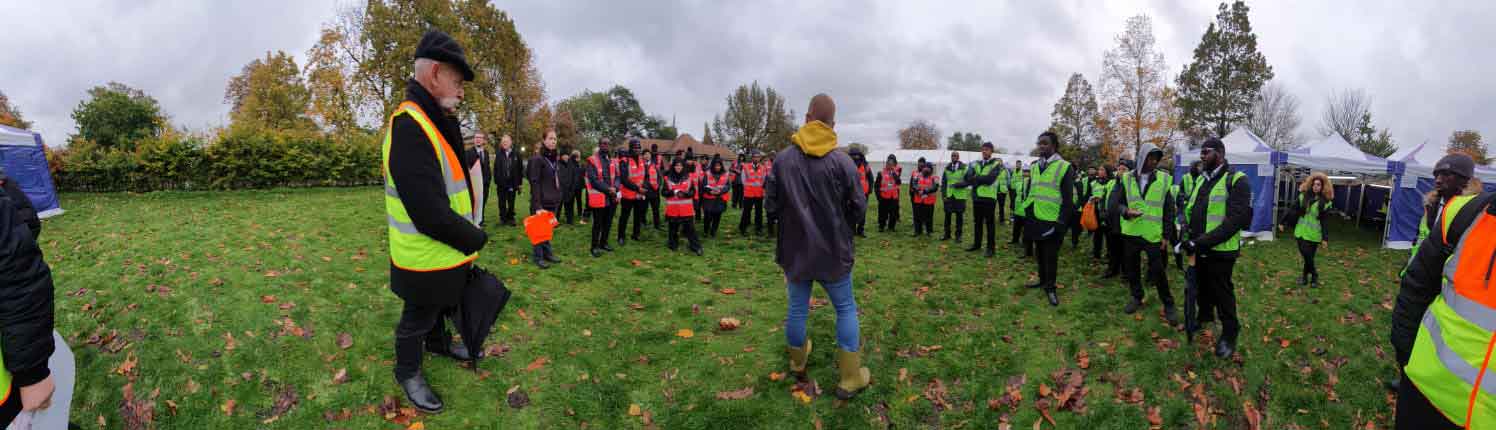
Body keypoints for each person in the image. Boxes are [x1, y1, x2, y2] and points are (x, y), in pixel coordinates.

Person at [382, 30, 486, 413]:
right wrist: (474, 237)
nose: (461, 92)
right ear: (436, 73)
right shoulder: (410, 125)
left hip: (443, 247)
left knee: (442, 303)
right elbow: (427, 212)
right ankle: (407, 371)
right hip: (422, 251)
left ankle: (439, 344)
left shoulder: (435, 118)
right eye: (458, 82)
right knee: (418, 315)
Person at [764, 93, 870, 400]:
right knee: (846, 308)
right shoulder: (843, 162)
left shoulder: (782, 160)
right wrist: (843, 229)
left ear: (808, 118)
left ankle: (797, 360)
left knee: (797, 308)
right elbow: (858, 207)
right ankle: (850, 377)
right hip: (834, 252)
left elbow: (770, 205)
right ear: (833, 124)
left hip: (795, 251)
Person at [1389, 154, 1495, 428]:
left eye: (1446, 174)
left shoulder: (1469, 211)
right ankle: (1405, 374)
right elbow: (1423, 243)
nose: (1438, 179)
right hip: (1427, 285)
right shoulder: (1437, 207)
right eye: (1437, 173)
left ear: (1464, 179)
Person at [1179, 137, 1252, 359]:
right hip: (1198, 248)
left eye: (1206, 152)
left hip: (1221, 251)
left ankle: (1230, 332)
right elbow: (1190, 209)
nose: (1201, 156)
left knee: (1222, 293)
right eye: (1201, 152)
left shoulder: (1237, 180)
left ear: (1220, 153)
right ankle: (1205, 317)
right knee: (1200, 286)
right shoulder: (1202, 180)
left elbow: (1233, 222)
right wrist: (1183, 228)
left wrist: (1200, 242)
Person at [1113, 147, 1176, 321]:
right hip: (1131, 232)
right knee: (1132, 268)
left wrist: (1166, 235)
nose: (1154, 162)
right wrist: (1126, 211)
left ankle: (1168, 303)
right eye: (1150, 158)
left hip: (1153, 234)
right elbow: (1117, 203)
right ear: (1141, 158)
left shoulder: (1163, 179)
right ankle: (1136, 296)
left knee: (1158, 271)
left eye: (1156, 159)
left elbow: (1169, 210)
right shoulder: (1126, 178)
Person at [1023, 132, 1075, 307]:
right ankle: (1042, 280)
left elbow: (1068, 200)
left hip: (1053, 221)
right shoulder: (1035, 166)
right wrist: (1027, 211)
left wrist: (1061, 224)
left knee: (1050, 256)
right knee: (1039, 253)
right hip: (1036, 217)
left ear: (1054, 146)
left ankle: (1051, 288)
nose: (1041, 146)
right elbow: (1032, 190)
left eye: (1045, 143)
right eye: (1039, 143)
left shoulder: (1065, 167)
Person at [1279, 172, 1333, 288]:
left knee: (1309, 257)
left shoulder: (1326, 203)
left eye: (1318, 185)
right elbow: (1292, 208)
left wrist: (1325, 238)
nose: (1316, 187)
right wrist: (1282, 221)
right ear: (1310, 185)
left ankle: (1306, 278)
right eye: (1314, 184)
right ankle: (1314, 276)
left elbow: (1325, 222)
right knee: (1307, 256)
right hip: (1301, 232)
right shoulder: (1303, 196)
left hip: (1314, 235)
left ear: (1323, 186)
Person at [585, 138, 621, 257]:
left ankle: (603, 243)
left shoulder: (612, 160)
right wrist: (608, 189)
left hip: (612, 196)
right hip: (600, 196)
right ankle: (594, 246)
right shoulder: (592, 160)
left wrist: (615, 187)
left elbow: (617, 176)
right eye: (604, 143)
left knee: (608, 222)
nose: (606, 145)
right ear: (599, 145)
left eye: (608, 143)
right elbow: (593, 180)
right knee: (598, 224)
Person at [964, 143, 1001, 257]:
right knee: (977, 222)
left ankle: (991, 248)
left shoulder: (996, 164)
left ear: (991, 151)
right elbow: (967, 178)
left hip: (989, 198)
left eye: (987, 150)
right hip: (977, 197)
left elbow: (990, 179)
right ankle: (977, 244)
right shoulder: (977, 164)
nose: (984, 151)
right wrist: (976, 178)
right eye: (983, 150)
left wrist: (976, 178)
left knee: (990, 224)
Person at [662, 158, 705, 255]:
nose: (678, 167)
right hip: (673, 209)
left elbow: (693, 192)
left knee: (690, 229)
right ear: (673, 167)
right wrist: (672, 192)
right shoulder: (667, 178)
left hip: (686, 209)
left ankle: (696, 247)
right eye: (677, 165)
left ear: (683, 167)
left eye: (680, 165)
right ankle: (672, 244)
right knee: (673, 228)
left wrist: (685, 194)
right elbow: (663, 192)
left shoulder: (689, 177)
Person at [615, 138, 649, 246]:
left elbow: (647, 176)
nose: (637, 150)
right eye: (635, 148)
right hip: (628, 194)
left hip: (639, 194)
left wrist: (644, 186)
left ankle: (636, 234)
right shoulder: (624, 161)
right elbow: (624, 180)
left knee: (638, 216)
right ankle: (621, 236)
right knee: (624, 216)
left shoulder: (642, 160)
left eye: (639, 148)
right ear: (630, 148)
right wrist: (638, 188)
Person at [1104, 161, 1131, 278]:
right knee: (1112, 248)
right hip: (1111, 221)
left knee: (1125, 250)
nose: (1120, 172)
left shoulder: (1132, 186)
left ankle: (1126, 273)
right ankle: (1112, 270)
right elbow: (1107, 199)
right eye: (1119, 169)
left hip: (1125, 223)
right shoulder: (1114, 183)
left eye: (1124, 169)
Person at [527, 129, 563, 215]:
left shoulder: (555, 159)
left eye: (555, 139)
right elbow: (535, 183)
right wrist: (538, 206)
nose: (553, 141)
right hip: (541, 205)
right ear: (544, 140)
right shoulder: (538, 159)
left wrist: (558, 196)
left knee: (550, 229)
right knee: (540, 229)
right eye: (550, 138)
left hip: (553, 203)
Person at [493, 133, 524, 226]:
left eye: (506, 141)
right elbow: (495, 169)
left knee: (511, 202)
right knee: (501, 202)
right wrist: (497, 180)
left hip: (512, 183)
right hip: (501, 183)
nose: (504, 143)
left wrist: (519, 183)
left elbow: (520, 169)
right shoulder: (498, 154)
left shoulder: (516, 154)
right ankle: (503, 218)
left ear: (511, 142)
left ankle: (511, 218)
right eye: (503, 142)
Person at [464, 133, 493, 226]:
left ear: (484, 140)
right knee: (474, 202)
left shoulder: (486, 153)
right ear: (474, 140)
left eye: (480, 138)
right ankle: (473, 221)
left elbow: (487, 168)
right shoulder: (468, 152)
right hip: (474, 184)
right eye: (476, 138)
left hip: (485, 184)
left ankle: (480, 220)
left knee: (483, 202)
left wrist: (488, 180)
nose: (478, 140)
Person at [940, 151, 969, 241]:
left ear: (958, 157)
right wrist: (943, 195)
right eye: (952, 156)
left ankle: (958, 236)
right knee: (947, 216)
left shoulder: (964, 168)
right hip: (949, 195)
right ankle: (947, 234)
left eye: (955, 156)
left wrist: (958, 185)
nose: (954, 157)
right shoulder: (947, 168)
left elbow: (968, 181)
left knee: (959, 217)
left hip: (960, 196)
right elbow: (944, 182)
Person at [701, 158, 733, 238]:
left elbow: (728, 186)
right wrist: (709, 191)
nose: (717, 167)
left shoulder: (725, 174)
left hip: (720, 198)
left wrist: (721, 191)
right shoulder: (707, 173)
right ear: (713, 166)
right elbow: (703, 185)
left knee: (717, 216)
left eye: (719, 166)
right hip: (708, 198)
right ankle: (706, 230)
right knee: (707, 216)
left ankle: (713, 231)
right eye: (716, 166)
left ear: (721, 166)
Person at [739, 153, 768, 236]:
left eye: (758, 157)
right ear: (752, 158)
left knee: (759, 212)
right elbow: (743, 180)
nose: (756, 158)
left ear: (760, 158)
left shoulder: (763, 168)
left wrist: (759, 188)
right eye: (755, 157)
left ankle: (758, 229)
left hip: (759, 193)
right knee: (746, 212)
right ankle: (743, 228)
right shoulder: (746, 166)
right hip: (749, 193)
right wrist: (749, 187)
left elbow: (763, 179)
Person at [874, 154, 902, 232]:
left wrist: (894, 175)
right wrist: (878, 196)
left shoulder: (895, 172)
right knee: (883, 213)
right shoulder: (881, 173)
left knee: (893, 213)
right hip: (884, 197)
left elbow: (899, 183)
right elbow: (876, 185)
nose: (890, 165)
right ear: (886, 164)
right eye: (889, 164)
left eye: (892, 164)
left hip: (894, 197)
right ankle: (881, 226)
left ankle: (891, 227)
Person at [849, 148, 874, 237]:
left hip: (864, 193)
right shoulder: (848, 165)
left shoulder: (865, 166)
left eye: (857, 155)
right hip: (851, 193)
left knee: (862, 212)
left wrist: (870, 189)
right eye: (853, 155)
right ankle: (852, 230)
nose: (856, 157)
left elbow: (871, 178)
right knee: (851, 212)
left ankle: (860, 230)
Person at [910, 160, 939, 236]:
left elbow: (935, 187)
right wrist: (918, 190)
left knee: (928, 217)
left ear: (931, 169)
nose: (926, 169)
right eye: (925, 167)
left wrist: (925, 191)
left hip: (929, 201)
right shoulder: (917, 176)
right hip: (918, 200)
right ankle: (917, 231)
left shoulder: (934, 177)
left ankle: (929, 231)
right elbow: (914, 184)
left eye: (928, 168)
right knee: (917, 217)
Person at [1070, 165, 1092, 249]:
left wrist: (1076, 206)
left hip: (1076, 208)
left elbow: (1081, 197)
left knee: (1075, 228)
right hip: (1067, 208)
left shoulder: (1079, 182)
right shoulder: (1065, 180)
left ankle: (1074, 243)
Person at [646, 146, 665, 231]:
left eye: (648, 154)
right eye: (645, 154)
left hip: (654, 191)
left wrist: (658, 185)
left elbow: (660, 177)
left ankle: (657, 225)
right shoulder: (641, 165)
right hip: (645, 191)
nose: (647, 156)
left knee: (656, 209)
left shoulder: (655, 165)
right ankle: (643, 222)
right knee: (643, 209)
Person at [557, 150, 578, 225]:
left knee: (569, 206)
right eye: (564, 155)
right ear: (561, 156)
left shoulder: (571, 165)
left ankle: (570, 220)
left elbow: (575, 177)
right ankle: (555, 221)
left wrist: (572, 188)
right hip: (559, 190)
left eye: (567, 155)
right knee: (558, 207)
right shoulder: (557, 164)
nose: (566, 157)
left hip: (569, 189)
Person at [995, 158, 1010, 223]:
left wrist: (1006, 187)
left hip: (1002, 191)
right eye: (997, 162)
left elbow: (1008, 180)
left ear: (1002, 162)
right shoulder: (993, 170)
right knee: (992, 206)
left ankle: (1001, 219)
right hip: (994, 191)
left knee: (1001, 206)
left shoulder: (1006, 170)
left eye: (1000, 161)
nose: (999, 163)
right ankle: (990, 219)